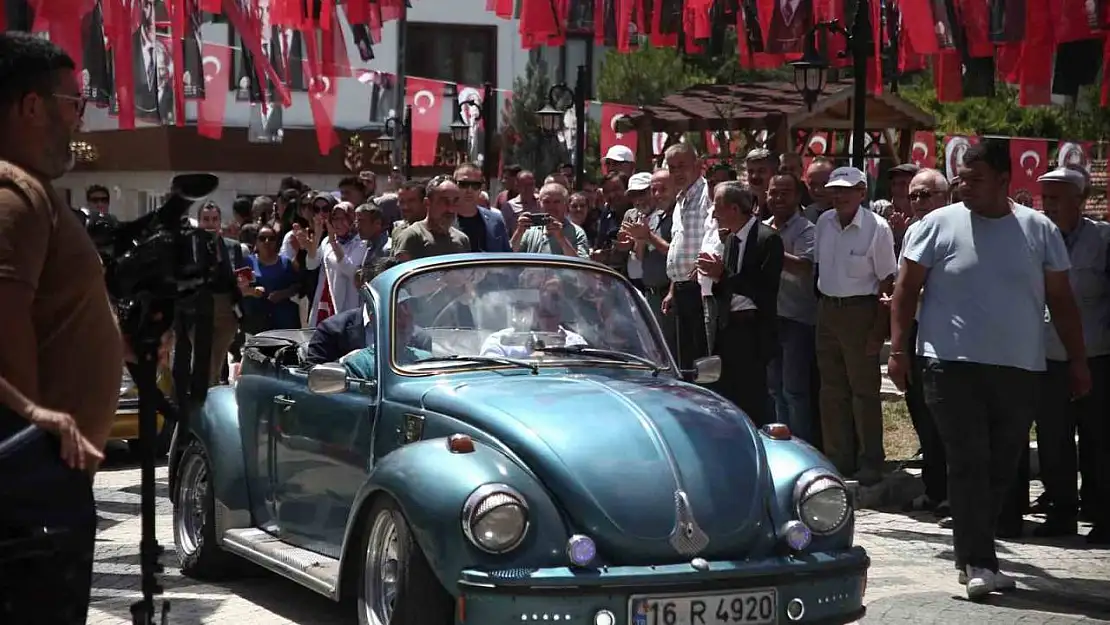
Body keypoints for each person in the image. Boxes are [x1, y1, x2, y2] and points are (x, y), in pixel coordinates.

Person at [889, 141, 1090, 600]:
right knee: (968, 461)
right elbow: (905, 289)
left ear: (1005, 182)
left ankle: (982, 554)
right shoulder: (937, 225)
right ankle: (976, 561)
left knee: (1003, 464)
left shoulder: (1038, 230)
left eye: (976, 178)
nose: (965, 186)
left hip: (1019, 367)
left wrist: (1078, 361)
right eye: (961, 177)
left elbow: (1062, 301)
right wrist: (898, 351)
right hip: (949, 364)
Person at [0, 32, 123, 623]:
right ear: (30, 106)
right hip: (28, 490)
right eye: (73, 102)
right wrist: (33, 434)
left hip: (43, 480)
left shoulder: (33, 193)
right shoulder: (11, 194)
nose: (80, 119)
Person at [1035, 167, 1110, 544]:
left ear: (1080, 201)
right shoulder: (1034, 237)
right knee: (1053, 437)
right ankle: (1061, 511)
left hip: (1096, 354)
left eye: (1057, 198)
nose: (1048, 206)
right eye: (1045, 198)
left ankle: (1101, 511)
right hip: (1047, 356)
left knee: (1098, 437)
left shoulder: (1103, 240)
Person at [813, 166, 897, 486]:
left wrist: (878, 330)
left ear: (862, 192)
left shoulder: (877, 227)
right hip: (828, 309)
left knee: (864, 391)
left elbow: (886, 280)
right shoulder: (824, 222)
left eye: (846, 190)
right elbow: (820, 267)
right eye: (835, 189)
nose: (839, 195)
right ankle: (838, 458)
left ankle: (871, 460)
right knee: (831, 390)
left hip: (860, 311)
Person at [698, 182, 783, 425]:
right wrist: (713, 277)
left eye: (718, 207)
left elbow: (764, 288)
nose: (714, 214)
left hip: (754, 332)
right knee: (728, 395)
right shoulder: (731, 240)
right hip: (728, 328)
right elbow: (728, 286)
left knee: (754, 398)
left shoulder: (768, 240)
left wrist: (722, 274)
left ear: (734, 209)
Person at [764, 172, 817, 441]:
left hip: (796, 319)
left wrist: (770, 249)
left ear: (797, 197)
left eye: (785, 192)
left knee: (795, 392)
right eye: (773, 192)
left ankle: (803, 448)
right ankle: (781, 446)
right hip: (768, 319)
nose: (777, 198)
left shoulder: (807, 230)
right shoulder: (762, 226)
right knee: (774, 390)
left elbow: (804, 268)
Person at [662, 143, 713, 370]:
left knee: (702, 359)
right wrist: (673, 289)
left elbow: (716, 236)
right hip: (682, 288)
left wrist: (702, 268)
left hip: (701, 287)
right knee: (685, 359)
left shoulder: (707, 194)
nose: (677, 173)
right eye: (672, 168)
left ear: (697, 165)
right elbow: (678, 246)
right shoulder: (680, 200)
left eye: (682, 166)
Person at [306, 257, 403, 366]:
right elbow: (310, 375)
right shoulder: (332, 331)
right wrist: (345, 362)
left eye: (399, 290)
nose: (392, 298)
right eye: (385, 290)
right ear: (365, 289)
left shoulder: (417, 336)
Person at [480, 277, 588, 358]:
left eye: (555, 297)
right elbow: (492, 382)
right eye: (539, 295)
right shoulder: (500, 343)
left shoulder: (575, 343)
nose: (548, 303)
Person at [305, 202, 367, 323]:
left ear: (352, 219)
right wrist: (317, 234)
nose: (338, 223)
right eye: (335, 218)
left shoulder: (361, 242)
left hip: (350, 303)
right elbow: (311, 264)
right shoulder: (327, 241)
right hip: (327, 300)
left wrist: (334, 244)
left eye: (343, 218)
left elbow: (351, 271)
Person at [239, 224, 300, 333]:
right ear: (256, 242)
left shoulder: (285, 263)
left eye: (271, 239)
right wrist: (252, 292)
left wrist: (282, 294)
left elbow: (297, 287)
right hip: (256, 322)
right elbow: (239, 289)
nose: (267, 242)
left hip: (284, 322)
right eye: (262, 238)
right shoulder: (248, 262)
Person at [511, 183, 590, 257]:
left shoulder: (577, 233)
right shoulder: (530, 230)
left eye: (556, 202)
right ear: (539, 204)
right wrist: (519, 232)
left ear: (565, 204)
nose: (551, 207)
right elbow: (510, 254)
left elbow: (581, 267)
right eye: (546, 202)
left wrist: (561, 238)